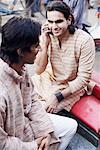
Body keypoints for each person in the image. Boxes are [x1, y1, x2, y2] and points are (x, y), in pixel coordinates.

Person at [0, 16, 77, 150]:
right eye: (36, 45)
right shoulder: (2, 91)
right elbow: (2, 144)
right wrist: (34, 145)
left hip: (26, 126)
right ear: (20, 51)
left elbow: (33, 100)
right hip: (17, 140)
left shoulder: (20, 68)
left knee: (70, 127)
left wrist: (45, 131)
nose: (40, 48)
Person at [31, 1, 95, 113]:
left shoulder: (84, 40)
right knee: (20, 99)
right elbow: (39, 70)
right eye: (50, 22)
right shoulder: (47, 35)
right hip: (47, 79)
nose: (54, 27)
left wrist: (57, 97)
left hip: (70, 87)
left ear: (69, 20)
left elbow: (83, 79)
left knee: (41, 111)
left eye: (59, 21)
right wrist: (45, 44)